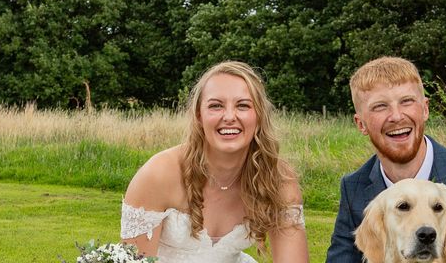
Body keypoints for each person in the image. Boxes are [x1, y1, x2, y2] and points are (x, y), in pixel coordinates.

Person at [326, 56, 446, 263]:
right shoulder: (353, 186)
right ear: (360, 124)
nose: (397, 116)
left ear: (425, 109)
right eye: (380, 106)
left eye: (407, 101)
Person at [121, 61, 309, 263]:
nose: (229, 117)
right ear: (199, 116)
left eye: (243, 105)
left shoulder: (278, 178)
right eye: (216, 106)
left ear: (259, 116)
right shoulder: (159, 174)